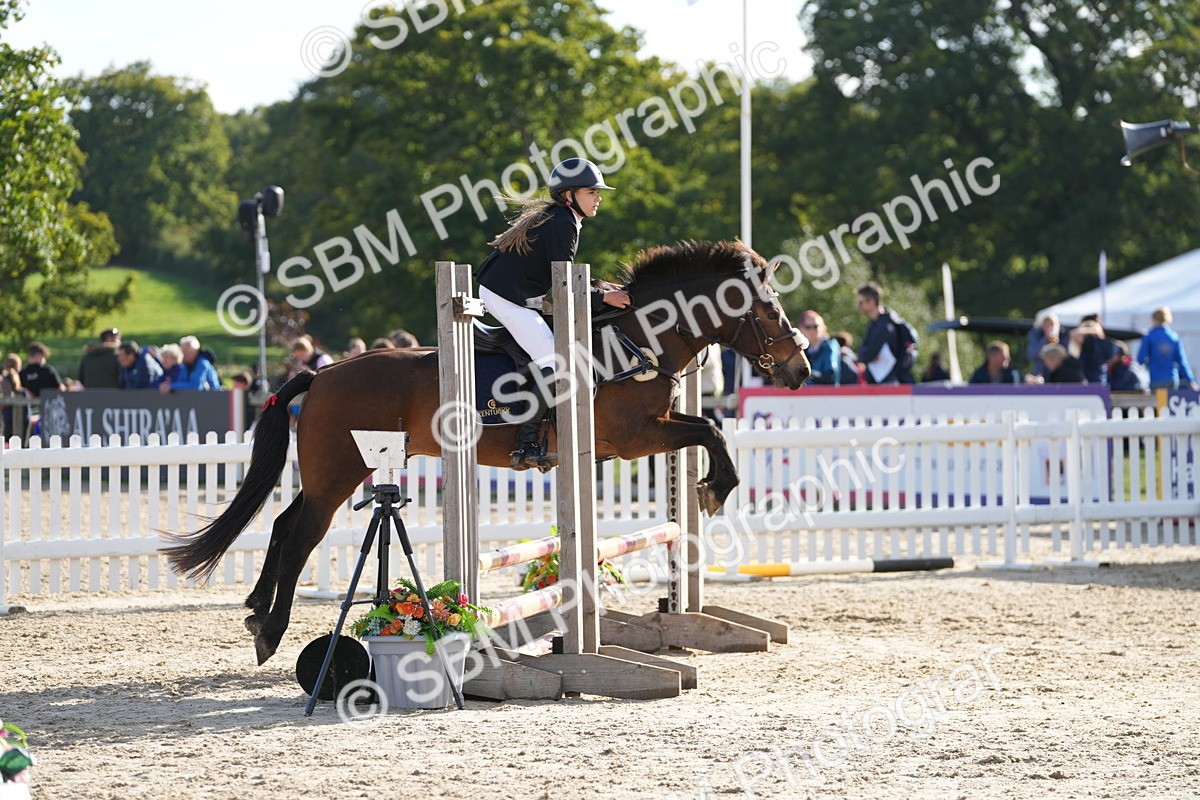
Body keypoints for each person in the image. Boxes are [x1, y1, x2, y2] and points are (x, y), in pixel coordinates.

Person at [475, 158, 628, 469]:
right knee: (555, 363)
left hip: (513, 293)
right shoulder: (563, 223)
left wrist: (600, 291)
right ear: (569, 195)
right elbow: (563, 285)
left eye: (598, 192)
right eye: (591, 192)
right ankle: (525, 445)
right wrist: (604, 297)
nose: (598, 197)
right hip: (505, 297)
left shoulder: (561, 218)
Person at [855, 282, 917, 384]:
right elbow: (865, 351)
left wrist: (863, 355)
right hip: (881, 379)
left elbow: (868, 354)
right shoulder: (876, 323)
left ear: (871, 301)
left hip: (887, 380)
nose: (859, 306)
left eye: (861, 302)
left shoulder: (885, 325)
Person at [1137, 306, 1197, 391]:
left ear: (1153, 319)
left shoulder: (1149, 336)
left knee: (1158, 400)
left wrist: (1149, 365)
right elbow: (1182, 362)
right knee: (1169, 399)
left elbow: (1140, 359)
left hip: (1156, 379)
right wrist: (1191, 380)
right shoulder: (1174, 337)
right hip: (1172, 379)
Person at [1070, 316, 1118, 384]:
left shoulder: (1090, 343)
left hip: (1087, 382)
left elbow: (1074, 333)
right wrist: (1096, 330)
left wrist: (1090, 330)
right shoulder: (1107, 344)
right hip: (1100, 382)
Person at [799, 310, 840, 385]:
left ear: (823, 327)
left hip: (827, 391)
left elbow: (830, 376)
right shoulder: (804, 350)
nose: (812, 330)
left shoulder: (830, 346)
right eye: (808, 327)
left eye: (815, 326)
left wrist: (807, 373)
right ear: (801, 329)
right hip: (810, 391)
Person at [1027, 314, 1060, 378]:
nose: (1050, 328)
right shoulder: (1036, 335)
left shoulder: (1063, 335)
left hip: (1058, 373)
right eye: (1047, 325)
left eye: (1052, 325)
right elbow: (1031, 354)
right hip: (1040, 373)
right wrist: (1046, 338)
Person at [1, 354, 24, 438]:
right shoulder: (16, 377)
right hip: (19, 411)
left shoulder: (5, 377)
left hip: (7, 411)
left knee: (8, 436)